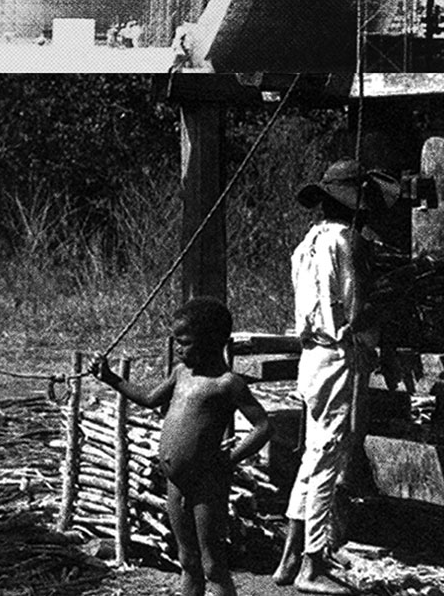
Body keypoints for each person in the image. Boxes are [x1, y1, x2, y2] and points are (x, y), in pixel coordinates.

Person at [92, 297, 272, 596]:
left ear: (213, 342)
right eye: (176, 341)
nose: (178, 348)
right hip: (176, 482)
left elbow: (263, 426)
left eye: (185, 342)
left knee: (213, 565)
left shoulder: (227, 384)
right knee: (187, 559)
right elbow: (150, 399)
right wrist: (111, 378)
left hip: (207, 485)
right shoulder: (180, 374)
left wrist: (229, 459)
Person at [273, 159, 396, 594]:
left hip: (311, 357)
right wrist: (387, 307)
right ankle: (313, 565)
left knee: (310, 458)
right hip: (337, 353)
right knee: (328, 458)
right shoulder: (348, 242)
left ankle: (289, 558)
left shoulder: (306, 243)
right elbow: (357, 310)